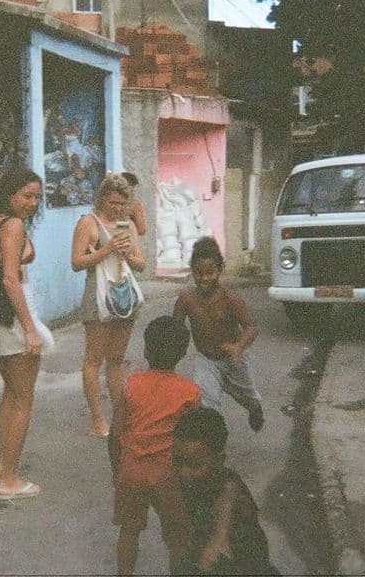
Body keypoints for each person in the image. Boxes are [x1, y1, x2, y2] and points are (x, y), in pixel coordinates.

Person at [0, 167, 53, 500]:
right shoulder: (14, 225)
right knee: (23, 399)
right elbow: (10, 279)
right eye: (27, 195)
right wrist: (30, 328)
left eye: (37, 196)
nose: (33, 203)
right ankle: (9, 479)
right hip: (11, 314)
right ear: (10, 194)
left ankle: (1, 467)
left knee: (11, 393)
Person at [108, 315, 201, 575]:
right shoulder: (190, 392)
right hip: (168, 473)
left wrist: (117, 470)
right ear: (183, 353)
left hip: (132, 469)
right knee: (178, 535)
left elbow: (115, 435)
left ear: (146, 350)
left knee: (129, 531)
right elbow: (196, 441)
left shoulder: (132, 384)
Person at [71, 172, 145, 437]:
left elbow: (141, 263)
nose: (116, 208)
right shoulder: (88, 223)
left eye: (121, 204)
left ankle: (120, 416)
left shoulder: (129, 225)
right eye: (112, 202)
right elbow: (77, 262)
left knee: (117, 360)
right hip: (98, 295)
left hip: (124, 293)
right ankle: (98, 418)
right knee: (94, 359)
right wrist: (107, 249)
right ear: (101, 199)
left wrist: (127, 254)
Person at [173, 236, 264, 432]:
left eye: (210, 272)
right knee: (203, 402)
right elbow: (173, 329)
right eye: (199, 273)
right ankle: (208, 442)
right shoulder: (186, 299)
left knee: (246, 395)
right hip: (207, 359)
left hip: (233, 359)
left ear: (220, 270)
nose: (204, 278)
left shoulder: (230, 299)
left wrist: (239, 346)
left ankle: (254, 407)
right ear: (192, 271)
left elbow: (251, 326)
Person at [173, 407, 279, 575]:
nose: (184, 472)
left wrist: (219, 537)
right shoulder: (201, 480)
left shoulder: (238, 508)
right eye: (177, 461)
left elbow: (230, 491)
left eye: (195, 465)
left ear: (219, 460)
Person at [121, 172, 147, 236]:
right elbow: (141, 230)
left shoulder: (107, 202)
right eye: (133, 187)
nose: (134, 191)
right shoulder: (134, 205)